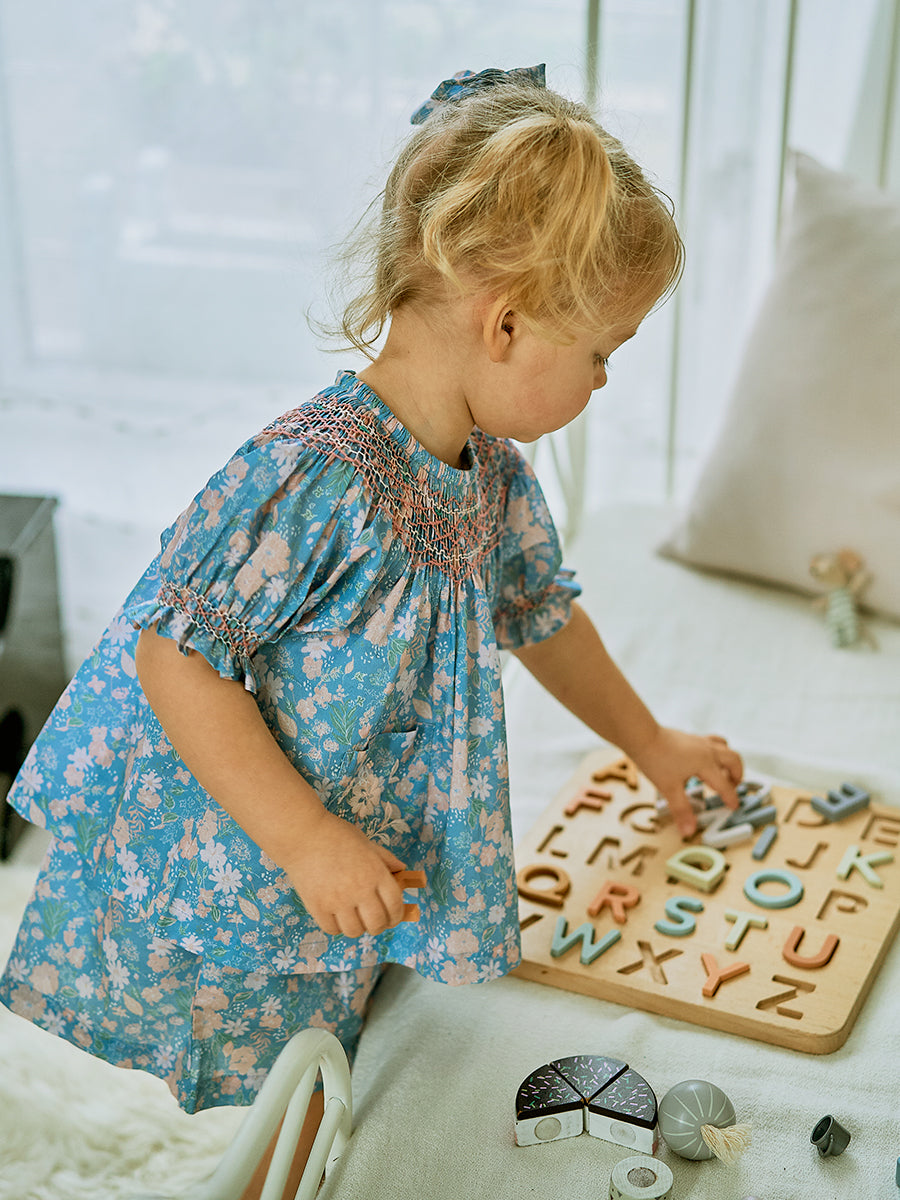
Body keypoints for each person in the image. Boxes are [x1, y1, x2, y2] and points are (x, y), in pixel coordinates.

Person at [0, 64, 743, 1199]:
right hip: (267, 845)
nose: (603, 380)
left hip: (372, 843)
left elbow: (542, 617)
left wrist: (651, 745)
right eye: (603, 352)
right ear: (506, 323)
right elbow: (174, 652)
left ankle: (294, 1171)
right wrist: (305, 840)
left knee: (329, 1057)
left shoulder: (492, 475)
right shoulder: (313, 475)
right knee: (289, 1067)